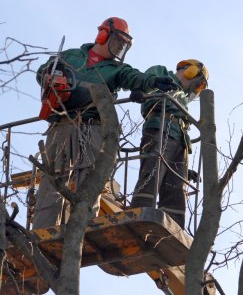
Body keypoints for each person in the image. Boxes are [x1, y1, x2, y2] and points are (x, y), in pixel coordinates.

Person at [32, 17, 178, 229]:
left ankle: (84, 229)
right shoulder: (71, 56)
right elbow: (42, 71)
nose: (120, 47)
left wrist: (152, 82)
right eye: (118, 41)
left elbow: (134, 77)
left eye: (124, 45)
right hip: (62, 123)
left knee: (90, 183)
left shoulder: (117, 69)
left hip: (94, 127)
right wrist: (49, 75)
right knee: (52, 182)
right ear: (103, 35)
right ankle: (41, 232)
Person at [130, 59, 209, 229]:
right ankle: (139, 219)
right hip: (160, 128)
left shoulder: (183, 101)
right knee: (152, 174)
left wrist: (185, 171)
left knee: (176, 188)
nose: (196, 89)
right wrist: (142, 88)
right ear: (191, 71)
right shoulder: (162, 73)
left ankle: (173, 228)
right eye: (198, 83)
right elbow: (147, 82)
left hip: (180, 139)